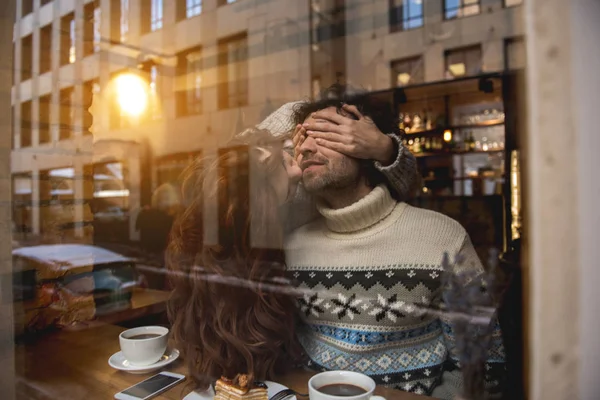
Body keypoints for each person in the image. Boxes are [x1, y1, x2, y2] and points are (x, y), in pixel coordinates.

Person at [284, 86, 505, 398]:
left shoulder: (443, 238)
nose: (305, 148)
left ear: (366, 144)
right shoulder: (292, 245)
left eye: (324, 133)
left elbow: (482, 365)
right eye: (301, 137)